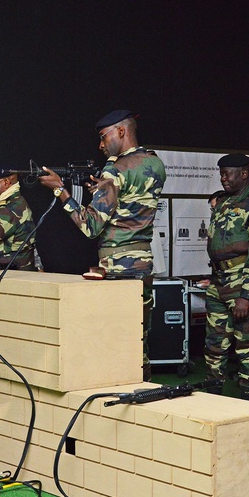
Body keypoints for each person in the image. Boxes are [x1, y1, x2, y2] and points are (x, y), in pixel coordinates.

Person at [38, 109, 166, 380]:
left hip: (117, 266)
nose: (100, 145)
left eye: (103, 136)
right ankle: (145, 388)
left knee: (114, 341)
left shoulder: (115, 168)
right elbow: (131, 203)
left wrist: (60, 191)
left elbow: (90, 225)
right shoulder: (155, 163)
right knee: (138, 337)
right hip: (143, 262)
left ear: (121, 131)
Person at [203, 153, 249, 400]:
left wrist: (246, 295)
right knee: (214, 346)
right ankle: (212, 397)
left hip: (243, 284)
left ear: (244, 174)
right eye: (221, 174)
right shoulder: (224, 202)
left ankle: (248, 402)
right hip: (219, 283)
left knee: (246, 348)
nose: (223, 178)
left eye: (228, 174)